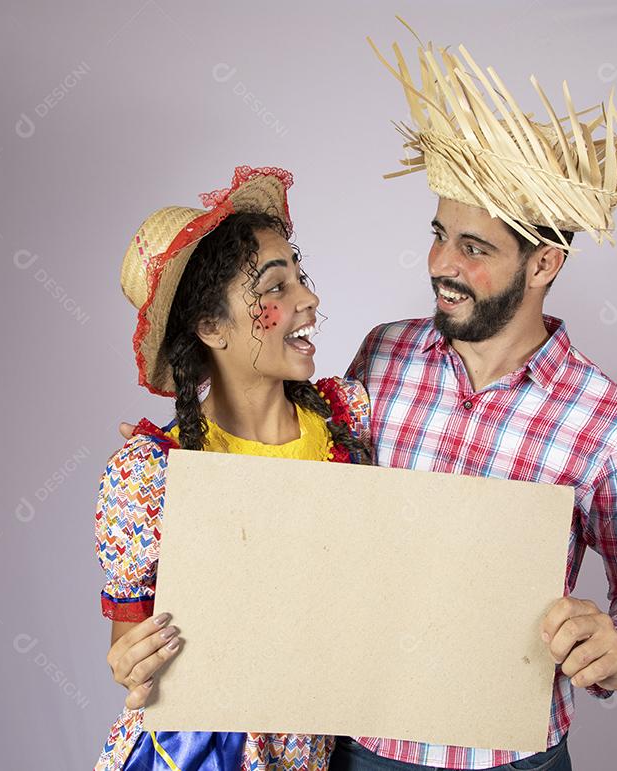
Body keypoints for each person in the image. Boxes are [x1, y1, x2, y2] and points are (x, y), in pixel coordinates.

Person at [324, 26, 617, 771]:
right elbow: (326, 516)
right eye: (439, 235)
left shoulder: (608, 420)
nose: (440, 266)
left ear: (544, 262)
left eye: (475, 248)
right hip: (364, 745)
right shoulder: (381, 354)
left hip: (512, 755)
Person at [93, 165, 372, 770]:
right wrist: (132, 662)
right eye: (275, 288)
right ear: (212, 327)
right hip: (194, 754)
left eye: (300, 277)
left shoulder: (347, 423)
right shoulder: (154, 474)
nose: (310, 299)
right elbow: (130, 645)